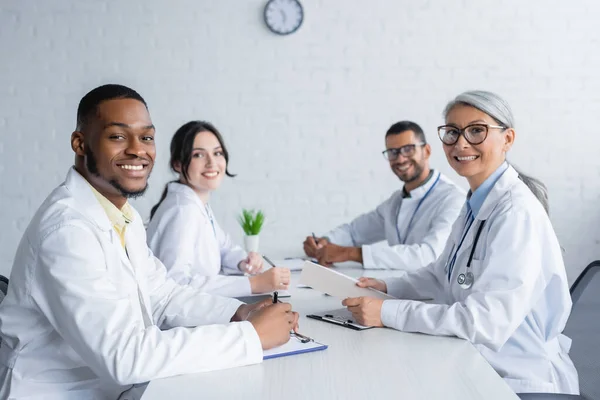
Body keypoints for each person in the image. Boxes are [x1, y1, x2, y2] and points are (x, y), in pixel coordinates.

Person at [0, 84, 298, 399]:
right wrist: (249, 337)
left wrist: (238, 313)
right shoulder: (67, 231)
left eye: (146, 137)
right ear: (80, 144)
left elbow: (161, 295)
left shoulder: (121, 213)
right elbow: (124, 357)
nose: (137, 150)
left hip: (108, 388)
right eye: (117, 136)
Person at [342, 91, 579, 395]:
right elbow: (442, 274)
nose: (461, 143)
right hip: (476, 362)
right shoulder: (475, 202)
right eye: (452, 132)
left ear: (507, 139)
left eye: (477, 130)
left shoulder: (516, 213)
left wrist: (387, 313)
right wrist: (388, 287)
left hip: (516, 378)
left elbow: (483, 322)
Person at [146, 121, 291, 297]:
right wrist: (254, 284)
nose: (212, 163)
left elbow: (224, 247)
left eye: (217, 153)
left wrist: (243, 261)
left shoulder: (196, 203)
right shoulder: (183, 211)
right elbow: (176, 283)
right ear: (177, 164)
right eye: (199, 155)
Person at [303, 121, 464, 271]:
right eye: (393, 152)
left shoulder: (453, 198)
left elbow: (429, 256)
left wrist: (350, 254)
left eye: (408, 149)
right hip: (397, 289)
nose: (400, 158)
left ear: (426, 151)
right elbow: (354, 232)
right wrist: (323, 242)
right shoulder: (395, 202)